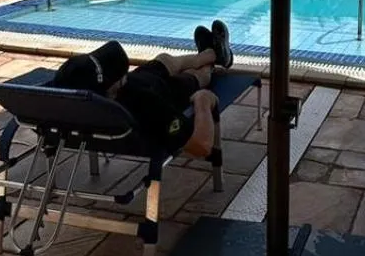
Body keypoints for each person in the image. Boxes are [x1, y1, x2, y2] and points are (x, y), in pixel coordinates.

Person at [52, 21, 233, 159]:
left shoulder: (61, 92)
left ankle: (211, 52)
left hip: (139, 80)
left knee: (164, 60)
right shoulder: (147, 105)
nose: (123, 72)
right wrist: (203, 102)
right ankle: (214, 58)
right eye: (119, 75)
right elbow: (200, 147)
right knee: (195, 77)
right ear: (112, 90)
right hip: (161, 91)